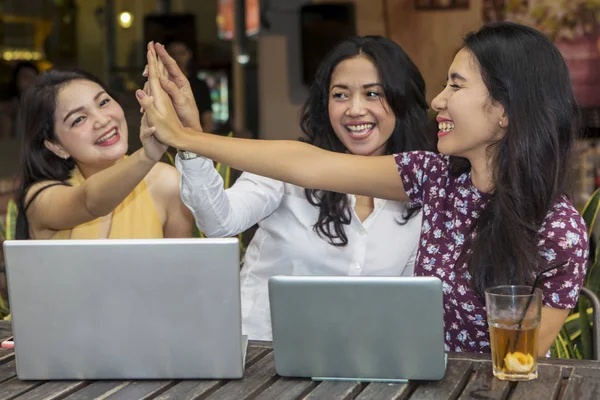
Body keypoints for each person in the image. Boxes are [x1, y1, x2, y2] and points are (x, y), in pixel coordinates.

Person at [139, 22, 589, 356]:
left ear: (505, 111)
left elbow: (525, 362)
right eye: (341, 94)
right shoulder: (435, 179)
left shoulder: (559, 229)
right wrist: (190, 138)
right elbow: (310, 166)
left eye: (456, 84)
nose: (439, 100)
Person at [148, 36, 434, 340]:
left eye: (373, 93)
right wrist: (190, 140)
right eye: (340, 95)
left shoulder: (419, 190)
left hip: (350, 365)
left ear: (402, 100)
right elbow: (219, 222)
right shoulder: (287, 170)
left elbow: (406, 302)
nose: (355, 109)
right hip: (259, 358)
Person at [14, 69, 193, 240]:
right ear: (55, 146)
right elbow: (88, 202)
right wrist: (147, 156)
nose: (102, 120)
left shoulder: (167, 183)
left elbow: (179, 267)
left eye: (103, 102)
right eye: (78, 119)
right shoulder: (42, 198)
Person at [165, 39, 213, 132]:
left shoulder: (200, 85)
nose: (177, 58)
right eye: (172, 54)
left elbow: (207, 117)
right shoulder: (159, 83)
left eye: (181, 53)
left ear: (189, 55)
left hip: (193, 135)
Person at [0, 61, 39, 139]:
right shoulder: (8, 108)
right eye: (25, 77)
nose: (30, 82)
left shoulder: (44, 107)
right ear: (16, 80)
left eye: (33, 78)